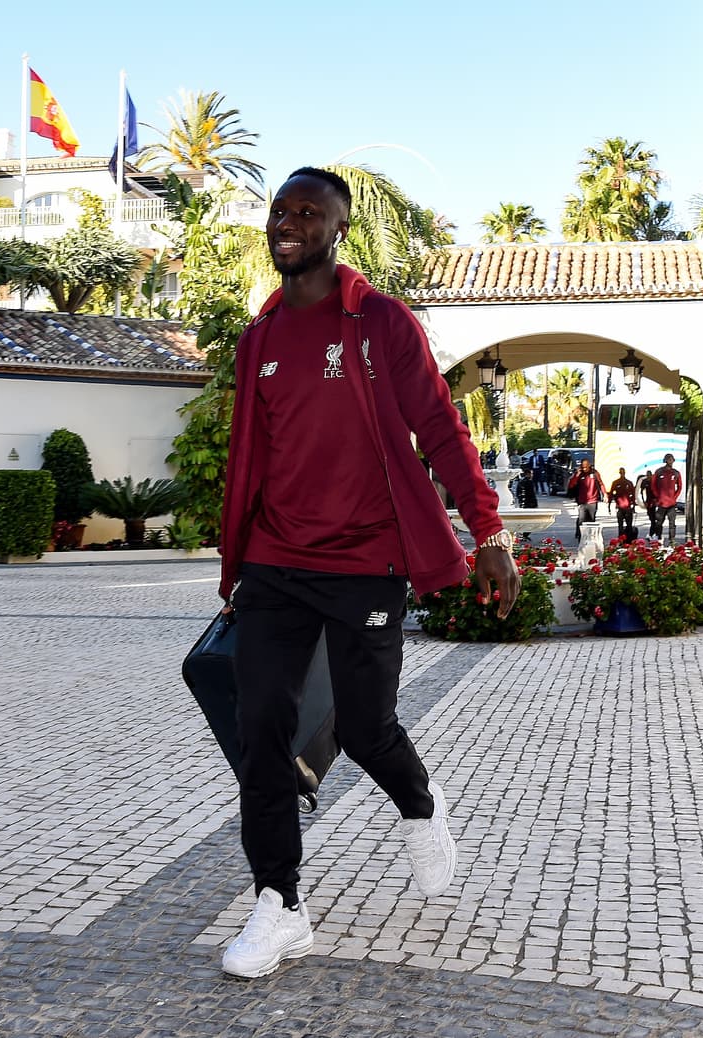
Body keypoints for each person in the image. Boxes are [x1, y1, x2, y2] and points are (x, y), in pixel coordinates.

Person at [217, 167, 521, 980]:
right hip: (277, 562)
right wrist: (235, 558)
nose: (288, 222)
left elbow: (440, 427)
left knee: (361, 727)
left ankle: (420, 805)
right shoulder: (261, 337)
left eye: (307, 212)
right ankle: (278, 904)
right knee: (261, 735)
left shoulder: (380, 322)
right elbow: (251, 456)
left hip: (367, 561)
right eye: (280, 210)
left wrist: (487, 530)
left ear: (338, 229)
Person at [566, 458, 607, 542]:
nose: (584, 468)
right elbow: (571, 485)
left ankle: (590, 538)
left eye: (586, 466)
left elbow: (601, 483)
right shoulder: (579, 474)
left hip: (593, 501)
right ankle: (581, 539)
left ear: (589, 465)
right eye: (583, 467)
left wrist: (605, 494)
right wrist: (577, 475)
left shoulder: (594, 473)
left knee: (591, 521)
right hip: (582, 501)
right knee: (581, 520)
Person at [651, 453, 684, 544]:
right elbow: (653, 485)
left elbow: (680, 486)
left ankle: (672, 540)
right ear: (665, 460)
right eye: (668, 459)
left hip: (672, 504)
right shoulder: (658, 472)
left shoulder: (676, 473)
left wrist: (675, 497)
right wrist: (658, 496)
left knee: (672, 523)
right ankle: (658, 538)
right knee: (659, 522)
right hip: (661, 503)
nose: (670, 461)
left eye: (672, 459)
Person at [607, 467, 637, 538]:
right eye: (621, 472)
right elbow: (611, 494)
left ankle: (629, 539)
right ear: (619, 473)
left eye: (623, 472)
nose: (622, 474)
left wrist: (633, 506)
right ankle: (621, 539)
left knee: (629, 525)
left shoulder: (629, 483)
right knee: (620, 525)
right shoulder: (615, 483)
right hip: (619, 507)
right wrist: (609, 505)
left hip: (628, 507)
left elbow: (633, 495)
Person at [637, 469, 657, 538]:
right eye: (647, 475)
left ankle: (653, 533)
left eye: (649, 475)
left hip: (654, 502)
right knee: (651, 518)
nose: (649, 477)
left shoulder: (654, 482)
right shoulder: (645, 482)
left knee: (654, 519)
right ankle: (653, 533)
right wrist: (643, 501)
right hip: (648, 502)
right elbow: (642, 492)